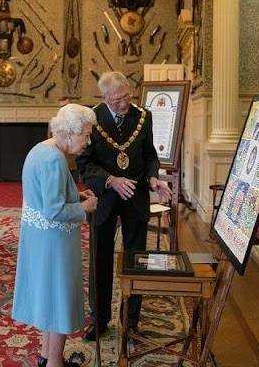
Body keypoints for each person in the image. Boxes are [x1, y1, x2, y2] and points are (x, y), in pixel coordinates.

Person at [76, 71, 172, 340]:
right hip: (103, 198)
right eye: (117, 99)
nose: (124, 103)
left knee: (136, 259)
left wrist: (154, 178)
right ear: (104, 96)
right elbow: (84, 165)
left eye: (127, 96)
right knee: (100, 258)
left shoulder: (143, 116)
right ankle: (100, 318)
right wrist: (110, 180)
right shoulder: (91, 120)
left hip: (136, 197)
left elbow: (150, 155)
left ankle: (131, 319)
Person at [13, 104, 98, 367]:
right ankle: (54, 363)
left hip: (41, 240)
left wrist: (76, 195)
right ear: (70, 133)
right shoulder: (54, 159)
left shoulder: (42, 149)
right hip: (54, 242)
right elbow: (54, 210)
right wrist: (84, 207)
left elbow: (49, 196)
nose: (88, 141)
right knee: (59, 301)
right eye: (85, 134)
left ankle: (48, 355)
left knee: (49, 300)